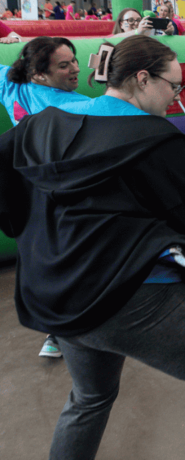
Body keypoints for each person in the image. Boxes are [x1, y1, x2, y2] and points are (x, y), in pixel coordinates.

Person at [1, 35, 185, 459]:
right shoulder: (158, 141)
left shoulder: (45, 122)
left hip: (57, 297)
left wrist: (35, 237)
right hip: (132, 300)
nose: (177, 99)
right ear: (143, 79)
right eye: (174, 86)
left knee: (89, 398)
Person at [0, 36, 89, 359]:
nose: (75, 69)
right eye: (64, 65)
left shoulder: (11, 87)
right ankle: (65, 333)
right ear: (38, 74)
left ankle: (54, 333)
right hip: (62, 195)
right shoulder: (73, 106)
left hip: (27, 194)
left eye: (75, 60)